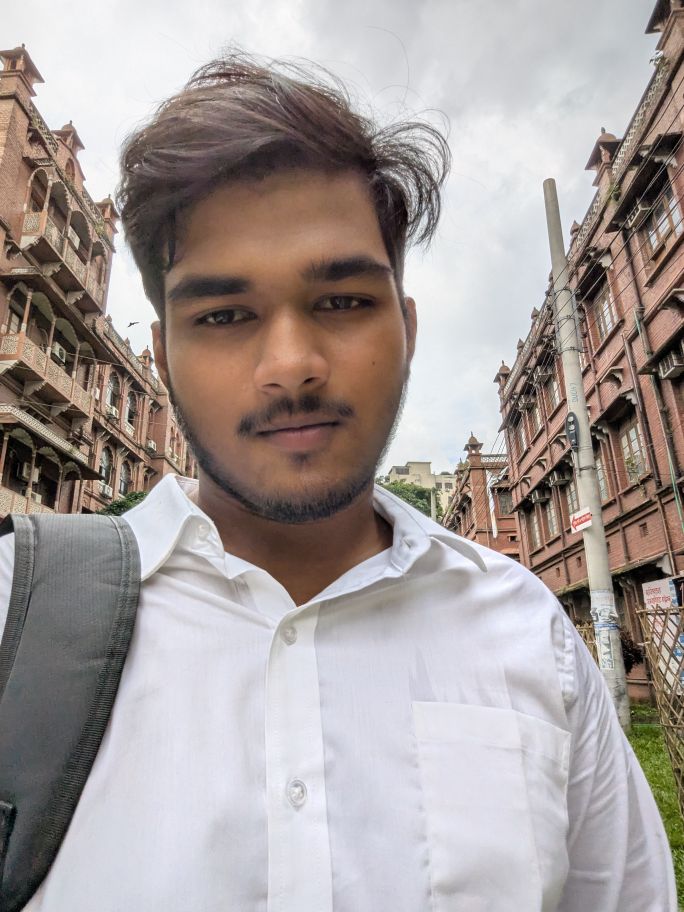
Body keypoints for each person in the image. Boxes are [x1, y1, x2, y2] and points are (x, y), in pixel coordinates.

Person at [0, 53, 675, 911]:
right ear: (162, 356)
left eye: (344, 302)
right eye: (224, 315)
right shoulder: (18, 612)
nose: (291, 365)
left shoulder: (527, 636)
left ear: (408, 328)